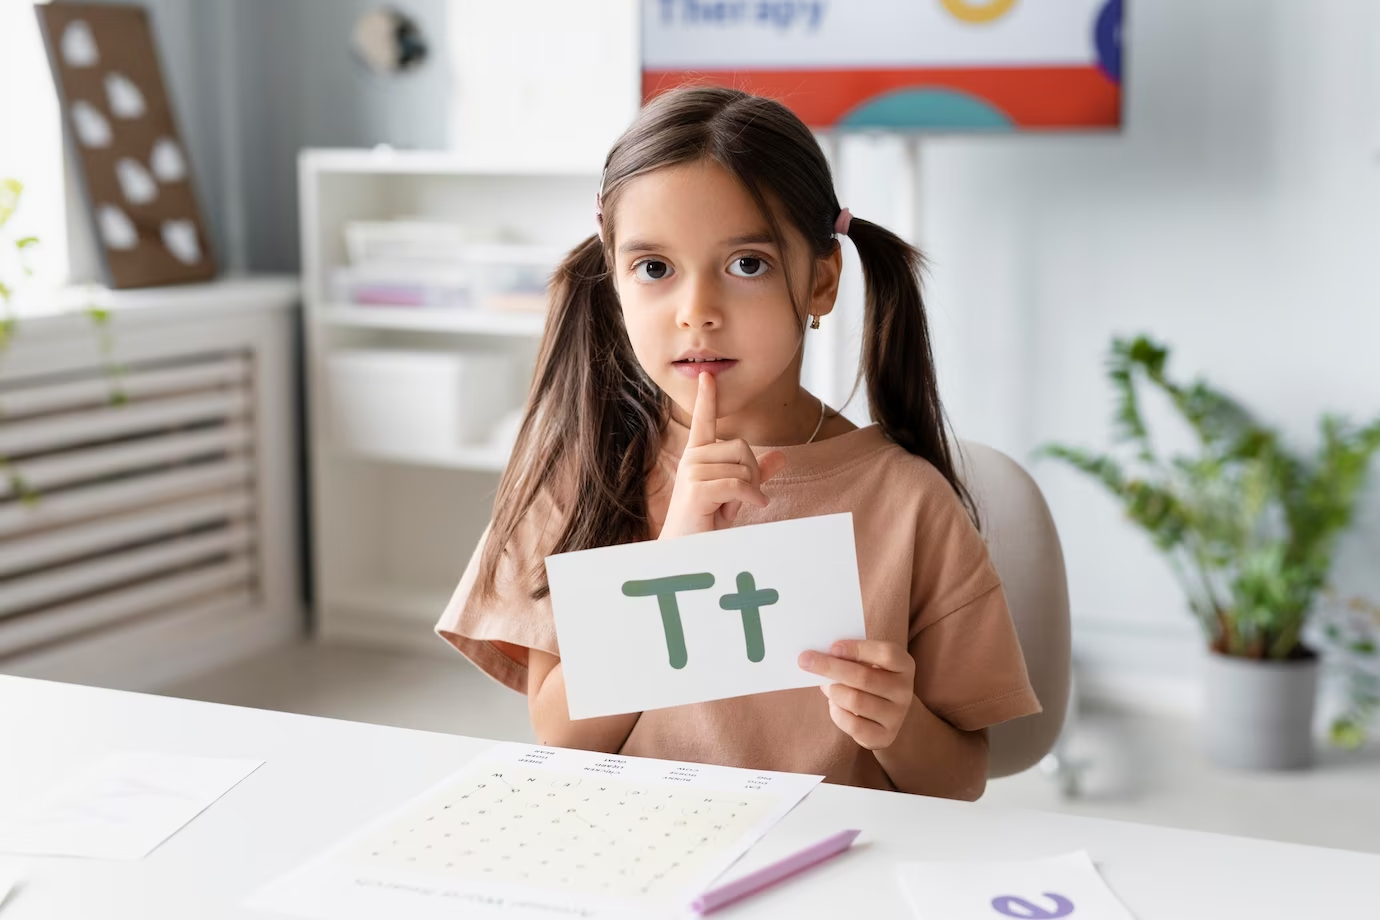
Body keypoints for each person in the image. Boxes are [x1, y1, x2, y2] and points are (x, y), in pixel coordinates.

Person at [436, 86, 1039, 800]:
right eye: (654, 268)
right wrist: (675, 562)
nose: (697, 313)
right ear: (615, 278)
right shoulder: (578, 473)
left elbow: (961, 780)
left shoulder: (909, 503)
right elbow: (561, 737)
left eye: (746, 264)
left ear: (821, 281)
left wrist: (897, 722)